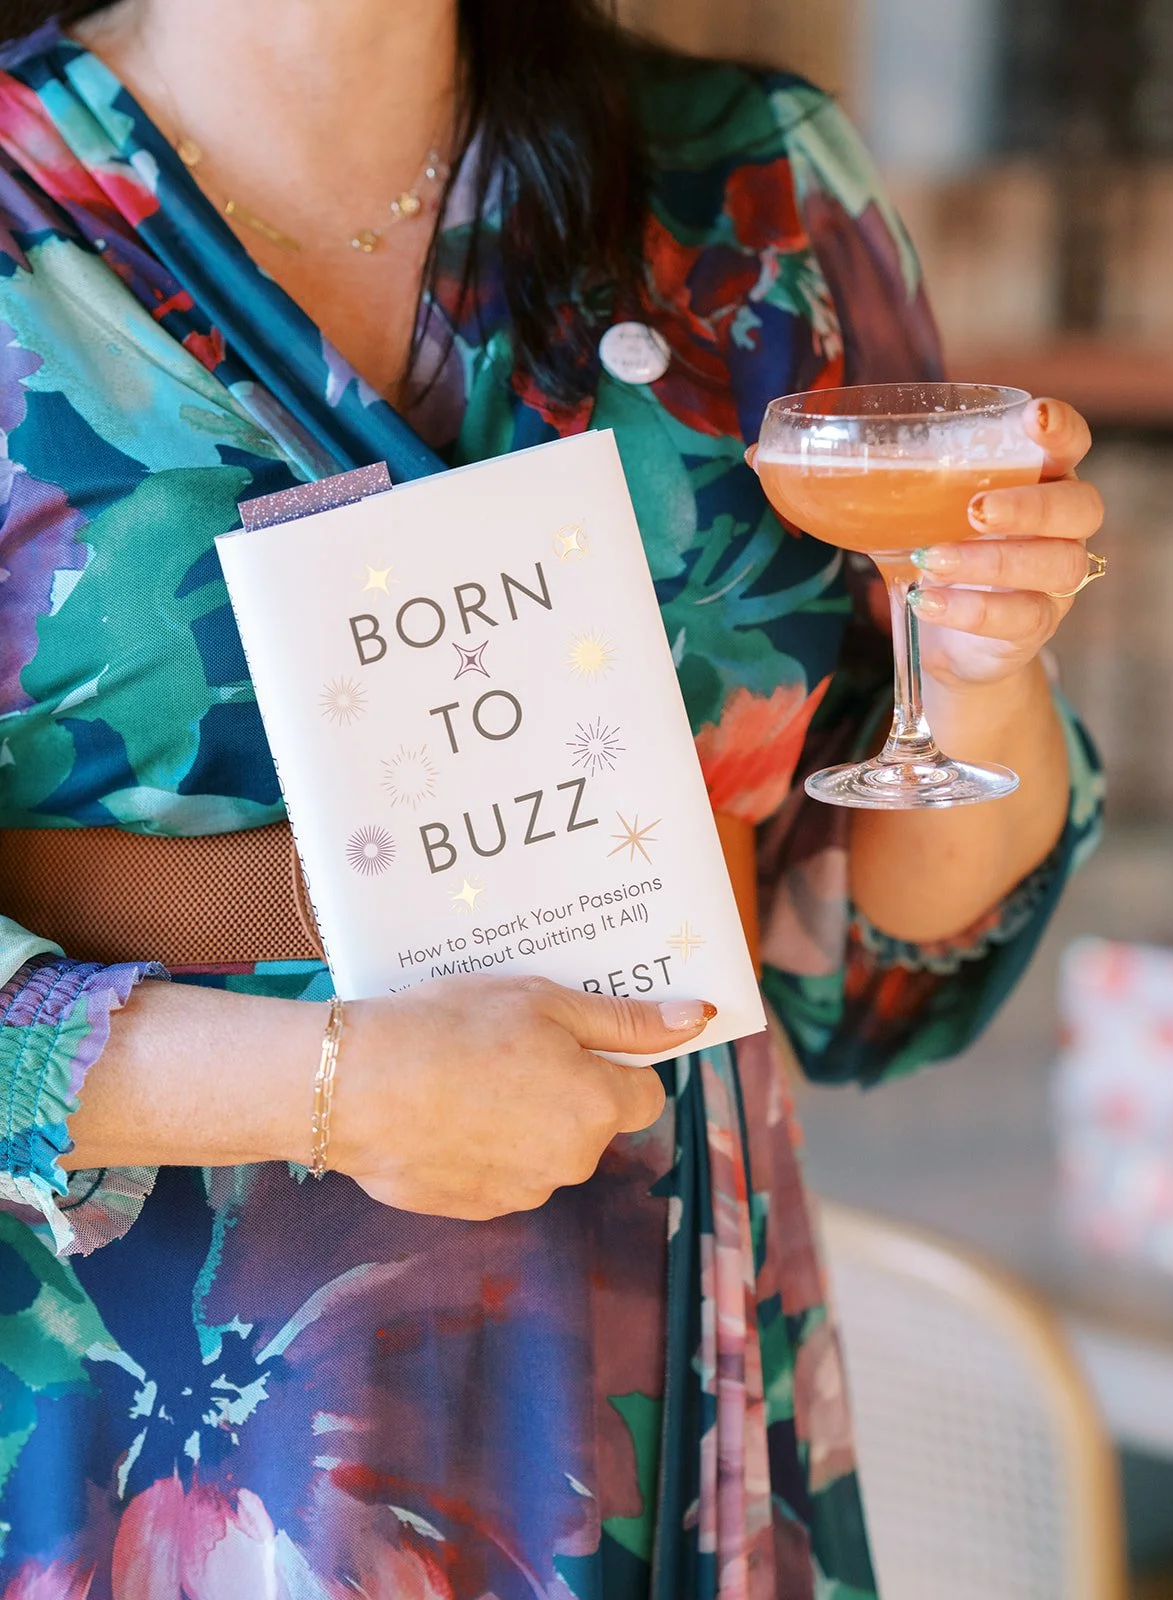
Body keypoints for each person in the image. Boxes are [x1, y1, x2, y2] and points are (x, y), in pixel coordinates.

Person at [0, 2, 1105, 1596]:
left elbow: (870, 963)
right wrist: (323, 1082)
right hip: (139, 1418)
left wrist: (986, 663)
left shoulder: (753, 191)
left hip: (670, 1346)